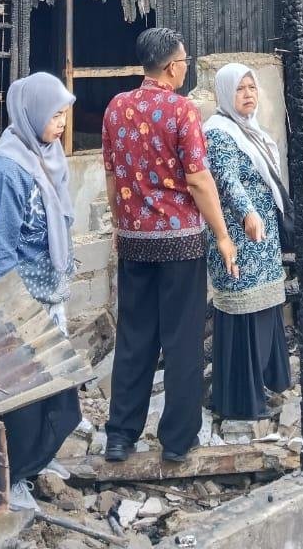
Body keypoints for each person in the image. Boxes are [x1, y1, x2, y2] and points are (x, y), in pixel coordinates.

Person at [101, 28, 238, 463]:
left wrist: (122, 226)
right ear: (171, 66)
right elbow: (198, 179)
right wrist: (221, 233)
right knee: (181, 340)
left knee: (134, 337)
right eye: (184, 61)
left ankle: (120, 436)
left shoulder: (116, 107)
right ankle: (178, 440)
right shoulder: (182, 111)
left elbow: (111, 176)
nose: (185, 67)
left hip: (135, 241)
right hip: (179, 243)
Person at [0, 72, 81, 511]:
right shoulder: (7, 169)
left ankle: (39, 459)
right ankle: (13, 477)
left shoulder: (48, 155)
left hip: (50, 298)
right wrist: (8, 311)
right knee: (19, 399)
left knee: (57, 389)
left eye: (64, 115)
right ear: (32, 113)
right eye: (55, 115)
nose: (61, 125)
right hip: (19, 304)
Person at [203, 63, 292, 420]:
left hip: (263, 238)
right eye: (240, 89)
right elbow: (226, 180)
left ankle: (263, 384)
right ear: (225, 94)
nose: (248, 94)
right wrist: (247, 213)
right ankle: (241, 400)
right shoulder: (219, 132)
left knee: (264, 309)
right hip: (237, 237)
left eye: (252, 87)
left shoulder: (252, 131)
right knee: (242, 312)